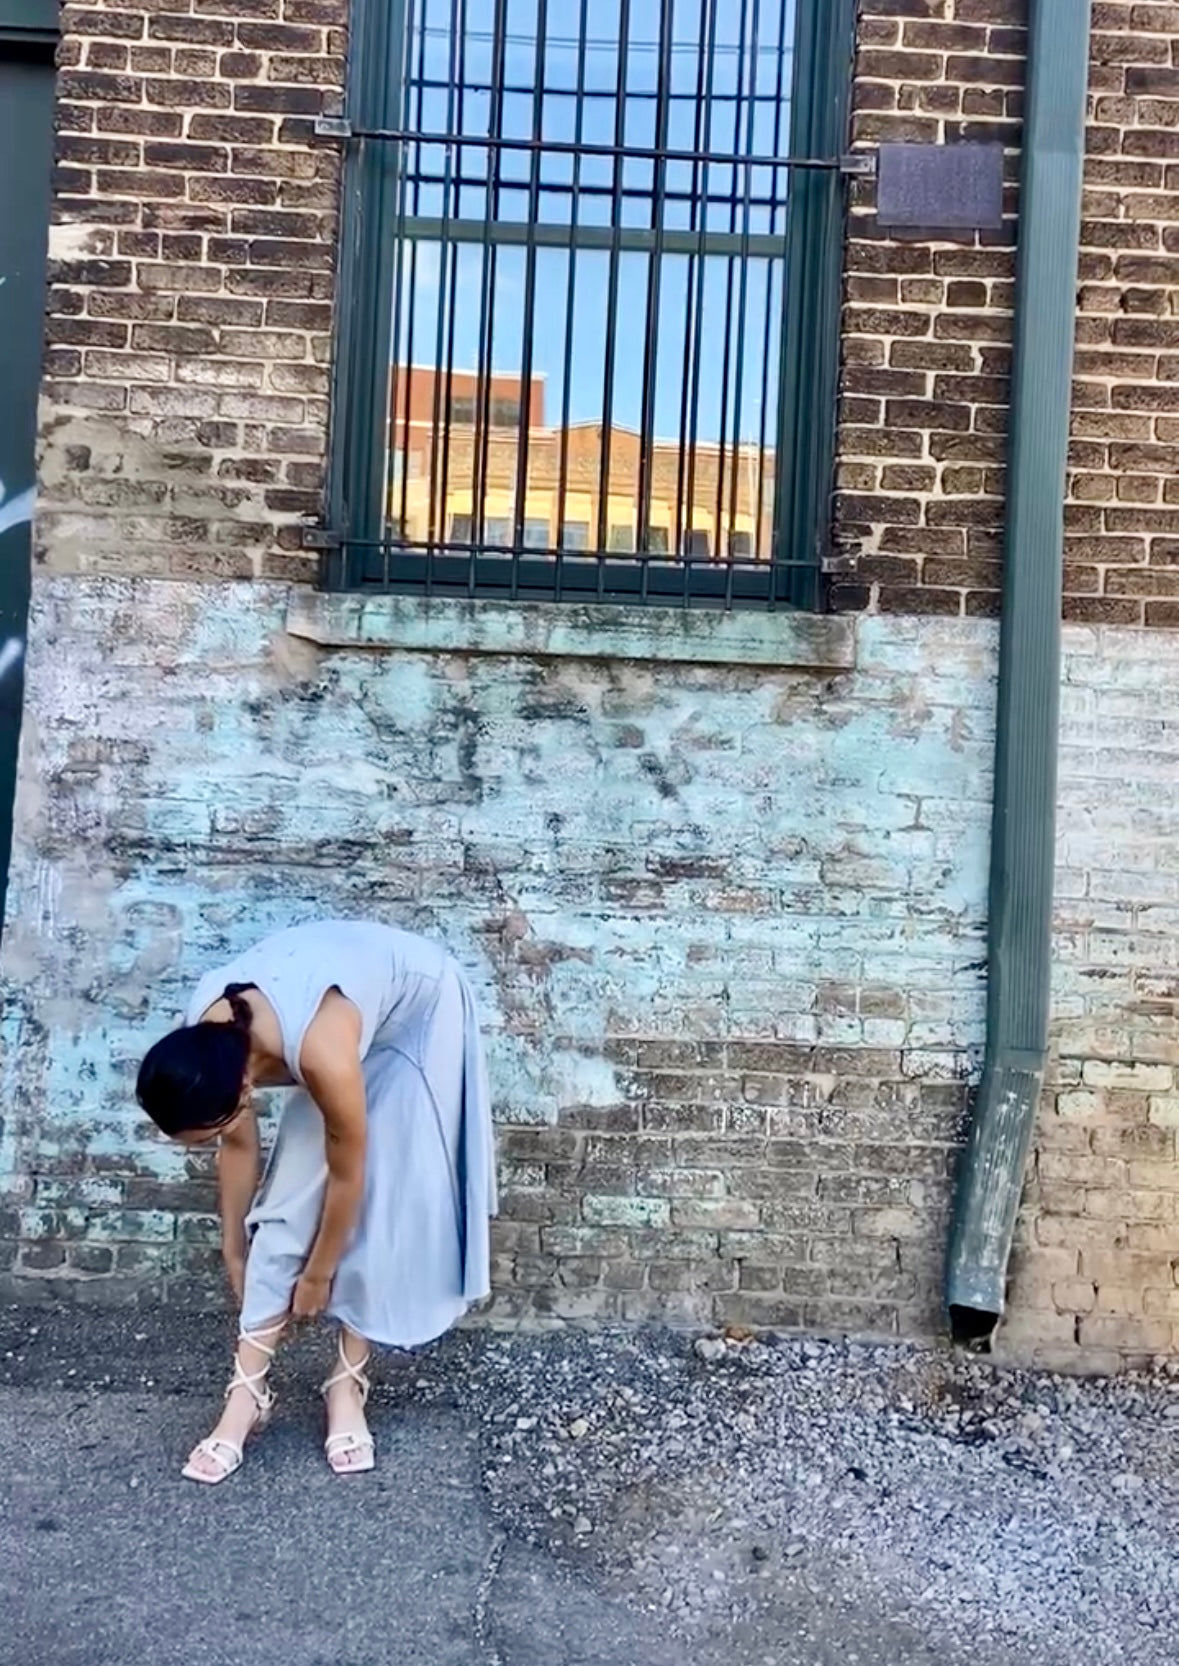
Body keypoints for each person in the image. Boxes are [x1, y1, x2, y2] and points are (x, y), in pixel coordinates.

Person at [135, 918, 497, 1484]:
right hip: (332, 1003)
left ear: (244, 1091)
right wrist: (234, 1247)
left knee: (384, 1200)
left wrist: (318, 1274)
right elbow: (236, 1144)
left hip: (414, 1016)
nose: (207, 1143)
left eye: (204, 1133)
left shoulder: (321, 1051)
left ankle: (346, 1382)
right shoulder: (204, 1036)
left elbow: (347, 1173)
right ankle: (246, 1395)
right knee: (282, 1216)